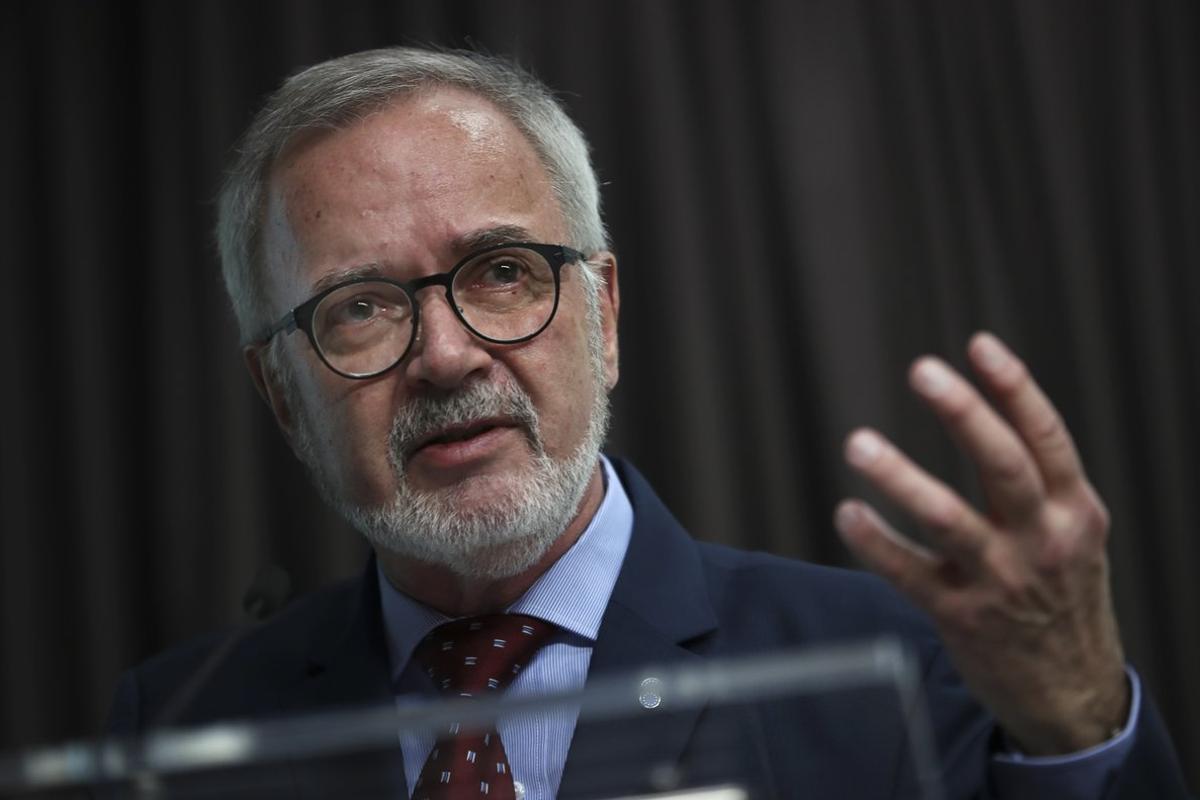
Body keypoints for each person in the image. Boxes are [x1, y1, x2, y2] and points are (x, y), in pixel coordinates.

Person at [107, 47, 1190, 798]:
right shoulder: (181, 726)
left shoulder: (899, 666)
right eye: (360, 306)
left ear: (604, 313)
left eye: (501, 271)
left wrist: (1076, 723)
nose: (444, 356)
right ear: (280, 392)